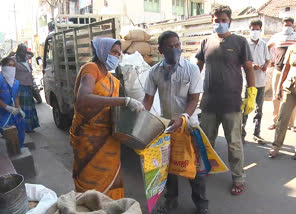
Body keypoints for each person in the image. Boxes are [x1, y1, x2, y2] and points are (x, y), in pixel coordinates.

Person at [69, 37, 145, 200]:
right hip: (89, 138)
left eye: (119, 53)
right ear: (102, 51)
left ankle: (110, 207)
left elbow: (112, 110)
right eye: (114, 52)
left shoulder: (112, 80)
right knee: (91, 184)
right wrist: (124, 101)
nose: (117, 57)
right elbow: (84, 98)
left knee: (110, 181)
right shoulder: (91, 69)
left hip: (109, 139)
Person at [143, 31, 208, 214]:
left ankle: (202, 204)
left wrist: (183, 118)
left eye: (177, 45)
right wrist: (140, 119)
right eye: (170, 46)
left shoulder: (191, 69)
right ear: (161, 49)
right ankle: (171, 201)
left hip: (189, 125)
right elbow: (148, 100)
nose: (174, 49)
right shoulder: (154, 72)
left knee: (194, 167)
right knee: (169, 168)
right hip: (168, 127)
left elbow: (194, 99)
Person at [196, 5, 256, 195]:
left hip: (231, 103)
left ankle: (238, 177)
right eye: (217, 20)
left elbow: (248, 68)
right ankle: (205, 168)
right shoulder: (206, 41)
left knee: (234, 143)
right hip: (208, 103)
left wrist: (251, 93)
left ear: (230, 20)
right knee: (206, 141)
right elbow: (197, 67)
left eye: (224, 20)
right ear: (211, 20)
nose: (220, 23)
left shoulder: (239, 41)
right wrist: (190, 91)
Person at [241, 20, 270, 143]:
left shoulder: (263, 44)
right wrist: (252, 65)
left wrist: (265, 66)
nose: (255, 31)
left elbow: (268, 59)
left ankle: (256, 133)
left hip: (261, 82)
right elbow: (241, 61)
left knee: (259, 109)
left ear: (261, 30)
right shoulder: (245, 44)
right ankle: (241, 134)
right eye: (253, 29)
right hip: (248, 83)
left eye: (257, 29)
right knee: (246, 108)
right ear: (249, 29)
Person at [267, 17, 296, 131]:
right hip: (278, 70)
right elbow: (267, 47)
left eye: (290, 25)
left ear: (293, 26)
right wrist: (269, 60)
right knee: (276, 97)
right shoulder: (276, 36)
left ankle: (291, 123)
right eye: (286, 24)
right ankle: (275, 121)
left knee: (293, 99)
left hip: (292, 74)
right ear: (282, 26)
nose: (288, 27)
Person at [269, 43, 296, 159]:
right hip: (290, 87)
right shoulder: (292, 48)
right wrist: (279, 86)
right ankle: (276, 146)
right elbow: (286, 68)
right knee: (283, 117)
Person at [15, 43, 40, 132]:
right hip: (21, 86)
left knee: (30, 107)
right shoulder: (14, 60)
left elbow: (32, 54)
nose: (24, 52)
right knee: (24, 108)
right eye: (22, 50)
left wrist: (26, 51)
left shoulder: (25, 58)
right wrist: (13, 53)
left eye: (25, 51)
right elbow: (3, 62)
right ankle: (24, 127)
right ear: (18, 50)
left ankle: (30, 126)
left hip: (28, 85)